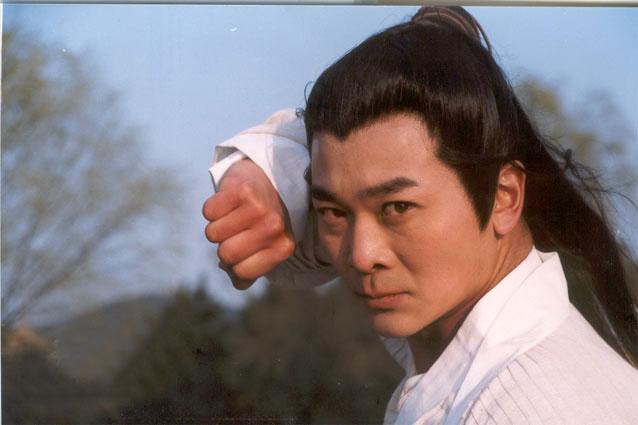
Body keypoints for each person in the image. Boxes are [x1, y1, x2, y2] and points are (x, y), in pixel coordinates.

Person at [203, 6, 638, 424]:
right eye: (333, 212)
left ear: (504, 197)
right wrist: (268, 170)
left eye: (397, 208)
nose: (361, 257)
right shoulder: (479, 356)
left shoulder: (533, 409)